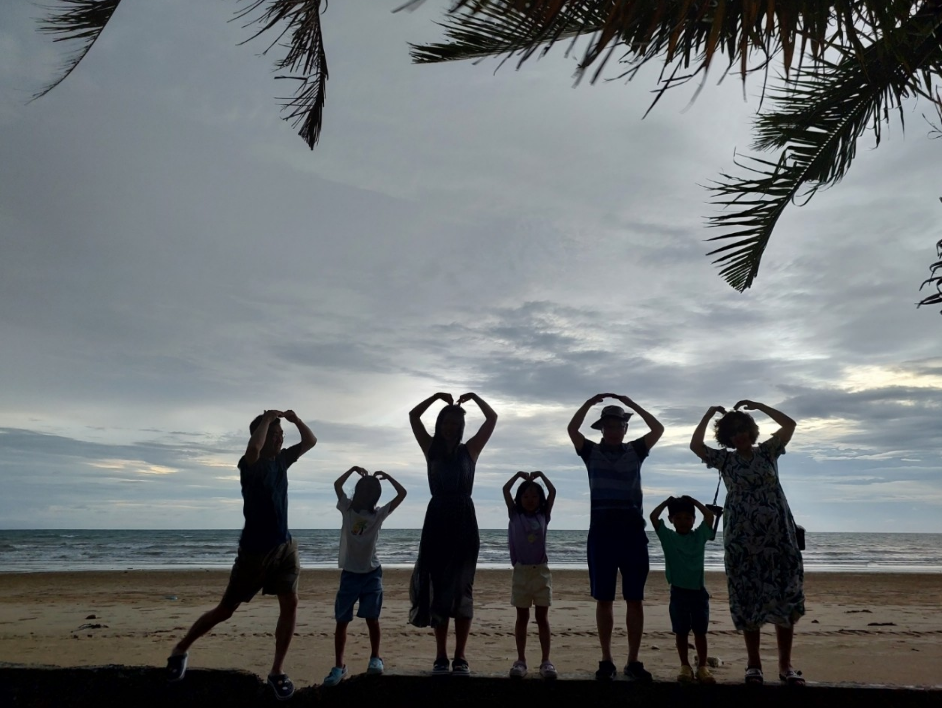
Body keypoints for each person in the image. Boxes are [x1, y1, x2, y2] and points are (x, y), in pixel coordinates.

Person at [166, 409, 316, 701]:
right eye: (274, 434)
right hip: (254, 554)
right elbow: (253, 448)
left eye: (280, 434)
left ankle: (276, 671)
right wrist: (267, 418)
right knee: (225, 610)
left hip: (285, 547)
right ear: (261, 435)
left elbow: (310, 441)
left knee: (291, 603)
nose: (279, 438)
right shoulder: (251, 465)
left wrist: (295, 421)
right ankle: (180, 649)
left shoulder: (283, 460)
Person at [690, 401, 805, 686]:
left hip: (779, 536)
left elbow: (789, 424)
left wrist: (757, 406)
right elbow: (695, 445)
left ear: (751, 431)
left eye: (743, 430)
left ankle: (785, 665)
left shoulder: (768, 451)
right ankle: (754, 665)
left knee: (784, 595)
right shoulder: (726, 461)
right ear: (727, 438)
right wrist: (708, 415)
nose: (739, 436)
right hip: (742, 541)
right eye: (733, 433)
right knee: (747, 596)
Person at [567, 393, 664, 682]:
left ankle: (633, 660)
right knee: (604, 599)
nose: (613, 429)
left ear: (624, 428)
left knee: (635, 599)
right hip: (602, 533)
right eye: (608, 425)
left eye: (618, 425)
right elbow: (572, 430)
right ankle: (607, 660)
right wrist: (588, 403)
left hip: (633, 533)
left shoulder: (636, 450)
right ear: (602, 429)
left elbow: (658, 428)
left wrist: (631, 404)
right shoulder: (590, 452)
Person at [408, 391, 497, 675]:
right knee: (438, 588)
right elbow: (413, 416)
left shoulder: (470, 451)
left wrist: (475, 398)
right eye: (447, 421)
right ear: (440, 423)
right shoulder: (430, 448)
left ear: (461, 428)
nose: (451, 427)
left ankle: (460, 657)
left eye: (457, 423)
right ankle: (441, 656)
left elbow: (492, 419)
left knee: (462, 589)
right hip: (436, 520)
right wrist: (435, 397)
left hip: (463, 521)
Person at [323, 466, 407, 687]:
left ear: (376, 497)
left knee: (372, 618)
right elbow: (337, 485)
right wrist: (351, 470)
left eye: (372, 492)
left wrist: (388, 477)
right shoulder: (347, 509)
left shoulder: (378, 515)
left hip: (371, 574)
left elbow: (402, 494)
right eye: (364, 491)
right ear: (358, 492)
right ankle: (339, 666)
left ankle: (375, 658)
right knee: (342, 621)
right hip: (350, 574)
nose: (367, 495)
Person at [649, 495, 717, 684]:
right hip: (678, 592)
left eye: (688, 518)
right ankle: (685, 665)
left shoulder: (699, 536)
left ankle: (702, 665)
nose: (683, 522)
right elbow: (653, 517)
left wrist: (694, 502)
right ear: (671, 520)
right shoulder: (668, 537)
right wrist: (666, 502)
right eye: (678, 518)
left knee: (700, 632)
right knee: (681, 632)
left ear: (693, 520)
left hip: (699, 592)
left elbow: (709, 517)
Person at [502, 470, 558, 680]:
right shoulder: (515, 514)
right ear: (519, 499)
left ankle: (546, 661)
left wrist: (542, 475)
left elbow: (552, 491)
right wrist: (517, 475)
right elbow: (505, 490)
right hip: (521, 572)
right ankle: (521, 660)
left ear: (540, 499)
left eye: (534, 496)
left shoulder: (544, 515)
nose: (530, 500)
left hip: (541, 572)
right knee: (522, 617)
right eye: (526, 496)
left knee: (542, 618)